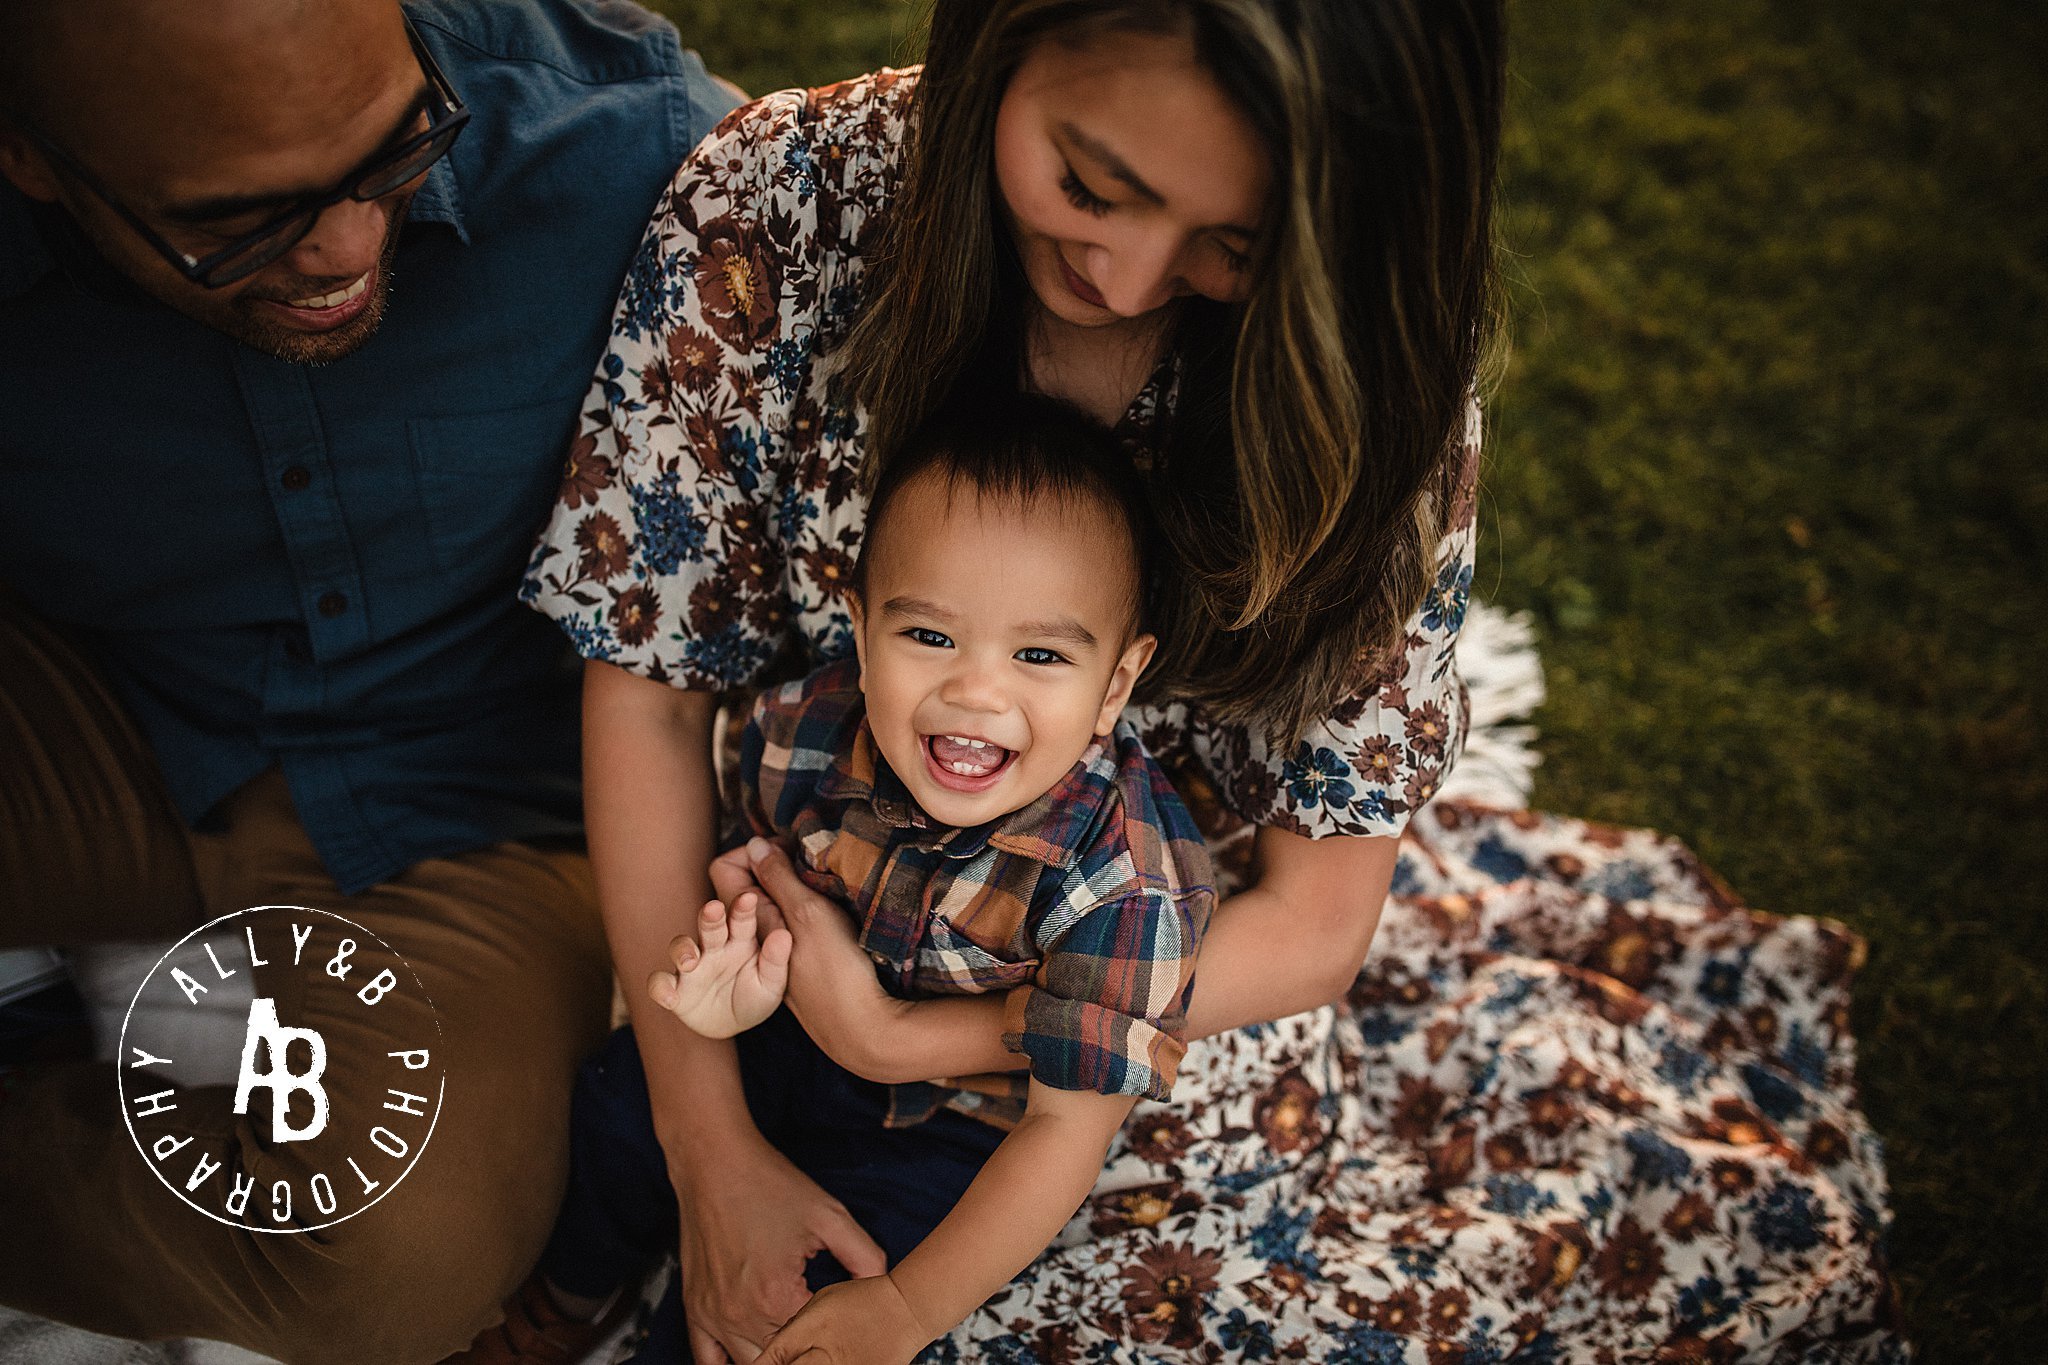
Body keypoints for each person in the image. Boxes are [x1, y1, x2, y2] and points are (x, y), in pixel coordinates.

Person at [517, 1, 1502, 1360]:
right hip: (804, 963)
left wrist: (905, 1041)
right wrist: (710, 1146)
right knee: (611, 1152)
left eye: (1237, 243)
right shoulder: (777, 206)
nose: (1134, 275)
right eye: (1094, 185)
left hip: (1130, 1013)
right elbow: (661, 707)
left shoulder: (1375, 372)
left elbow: (1316, 924)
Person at [0, 0, 738, 1360]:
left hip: (490, 819)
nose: (346, 247)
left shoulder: (647, 150)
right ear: (32, 161)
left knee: (393, 1244)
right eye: (238, 218)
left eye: (396, 151)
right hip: (111, 716)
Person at [510, 397, 1215, 1365]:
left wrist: (907, 1308)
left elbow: (1062, 1132)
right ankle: (568, 1295)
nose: (975, 692)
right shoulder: (807, 727)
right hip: (786, 1048)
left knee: (805, 1306)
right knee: (619, 1101)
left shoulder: (1127, 880)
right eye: (928, 637)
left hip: (954, 1129)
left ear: (1117, 685)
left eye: (1040, 655)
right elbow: (753, 874)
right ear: (859, 623)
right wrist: (734, 973)